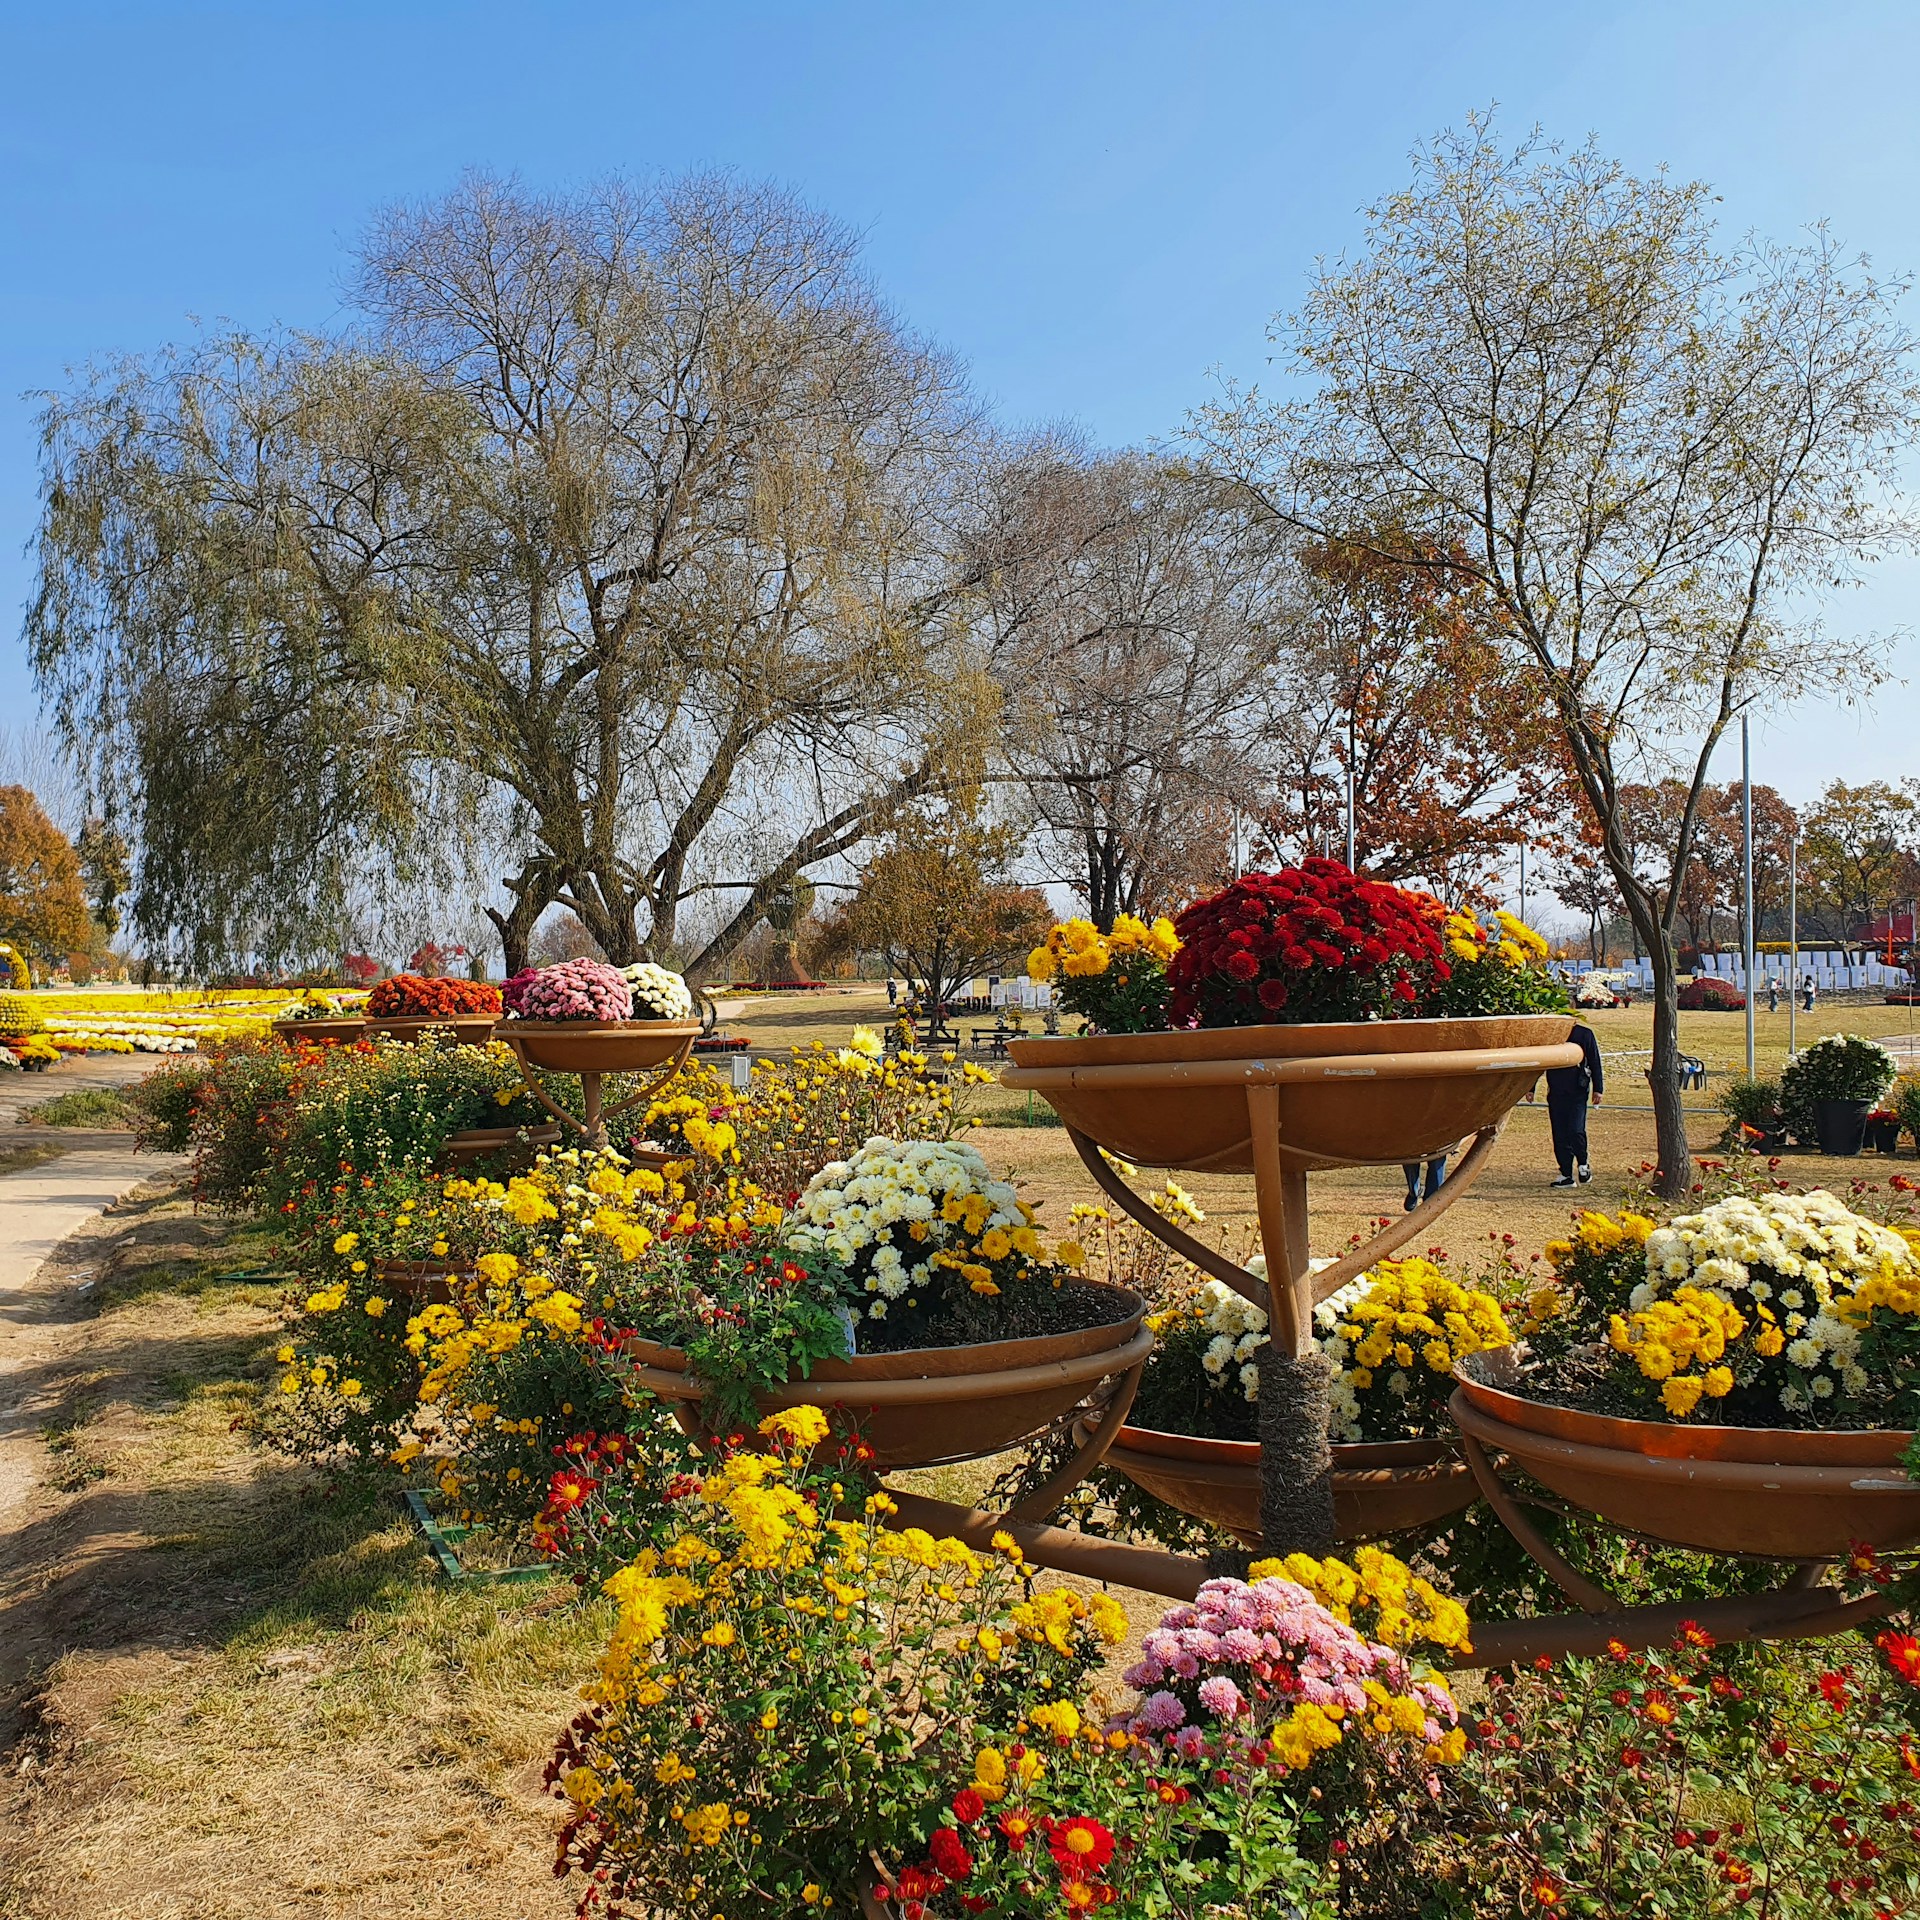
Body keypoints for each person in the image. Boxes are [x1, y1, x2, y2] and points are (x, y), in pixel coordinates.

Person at [1539, 1019, 1604, 1187]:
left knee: (1575, 1130)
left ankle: (1583, 1164)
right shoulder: (1550, 1035)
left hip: (1578, 1091)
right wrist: (1530, 1088)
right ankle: (1566, 1173)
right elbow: (1541, 1060)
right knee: (1560, 1134)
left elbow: (1595, 1060)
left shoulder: (1584, 1034)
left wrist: (1598, 1089)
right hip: (1556, 1092)